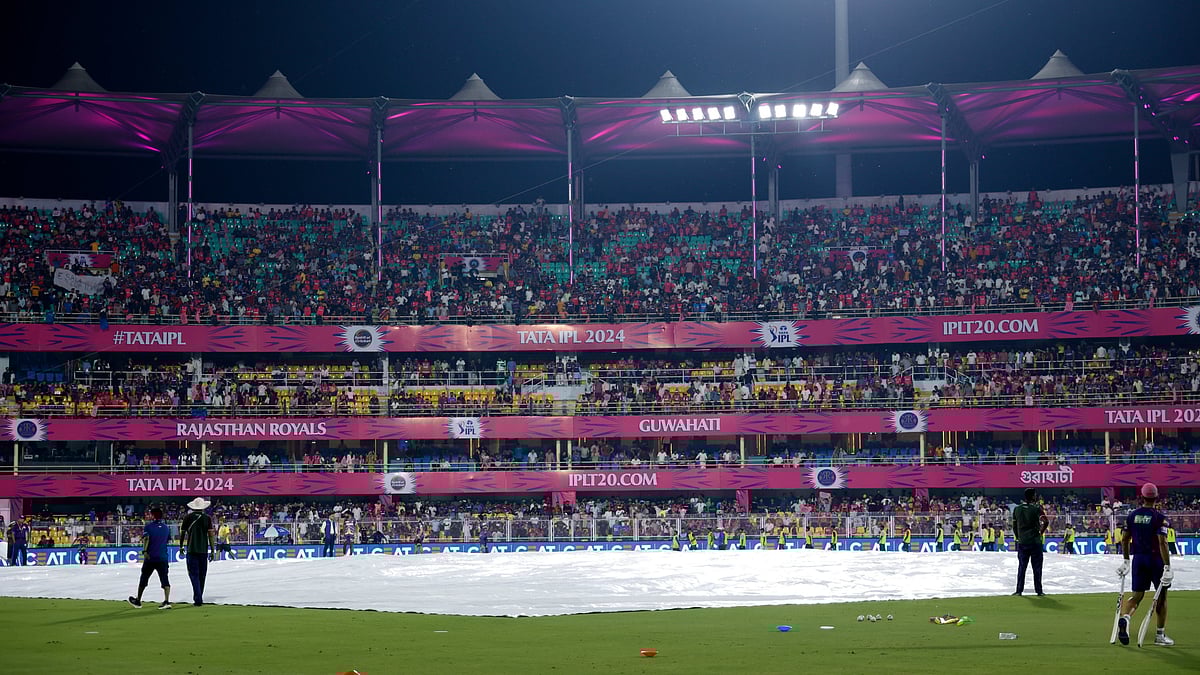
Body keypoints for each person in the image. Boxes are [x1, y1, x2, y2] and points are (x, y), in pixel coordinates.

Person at [1116, 483, 1173, 646]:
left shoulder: (1132, 516)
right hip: (1156, 560)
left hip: (1138, 559)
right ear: (1156, 498)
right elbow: (1162, 542)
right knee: (1161, 598)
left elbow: (1125, 539)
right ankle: (1160, 635)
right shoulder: (1160, 518)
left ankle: (1126, 618)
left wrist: (1126, 560)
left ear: (1141, 497)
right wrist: (1167, 566)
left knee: (1136, 595)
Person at [128, 507, 172, 609]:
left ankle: (138, 600)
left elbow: (146, 539)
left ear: (152, 515)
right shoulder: (166, 527)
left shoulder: (148, 527)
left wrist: (145, 551)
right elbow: (168, 540)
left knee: (144, 578)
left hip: (151, 557)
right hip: (163, 557)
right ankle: (166, 601)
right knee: (165, 579)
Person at [1011, 488, 1049, 596]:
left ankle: (1019, 590)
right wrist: (1040, 532)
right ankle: (1039, 591)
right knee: (1037, 567)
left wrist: (1019, 537)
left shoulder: (1017, 509)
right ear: (1033, 496)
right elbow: (1046, 521)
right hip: (1035, 541)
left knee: (1022, 567)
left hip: (1023, 542)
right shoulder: (1036, 508)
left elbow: (1014, 526)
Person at [180, 497, 215, 606]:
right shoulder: (207, 518)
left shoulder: (187, 518)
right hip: (203, 550)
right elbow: (211, 535)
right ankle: (199, 596)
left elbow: (182, 533)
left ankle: (198, 597)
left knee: (193, 575)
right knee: (202, 575)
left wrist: (181, 546)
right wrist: (213, 550)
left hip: (191, 549)